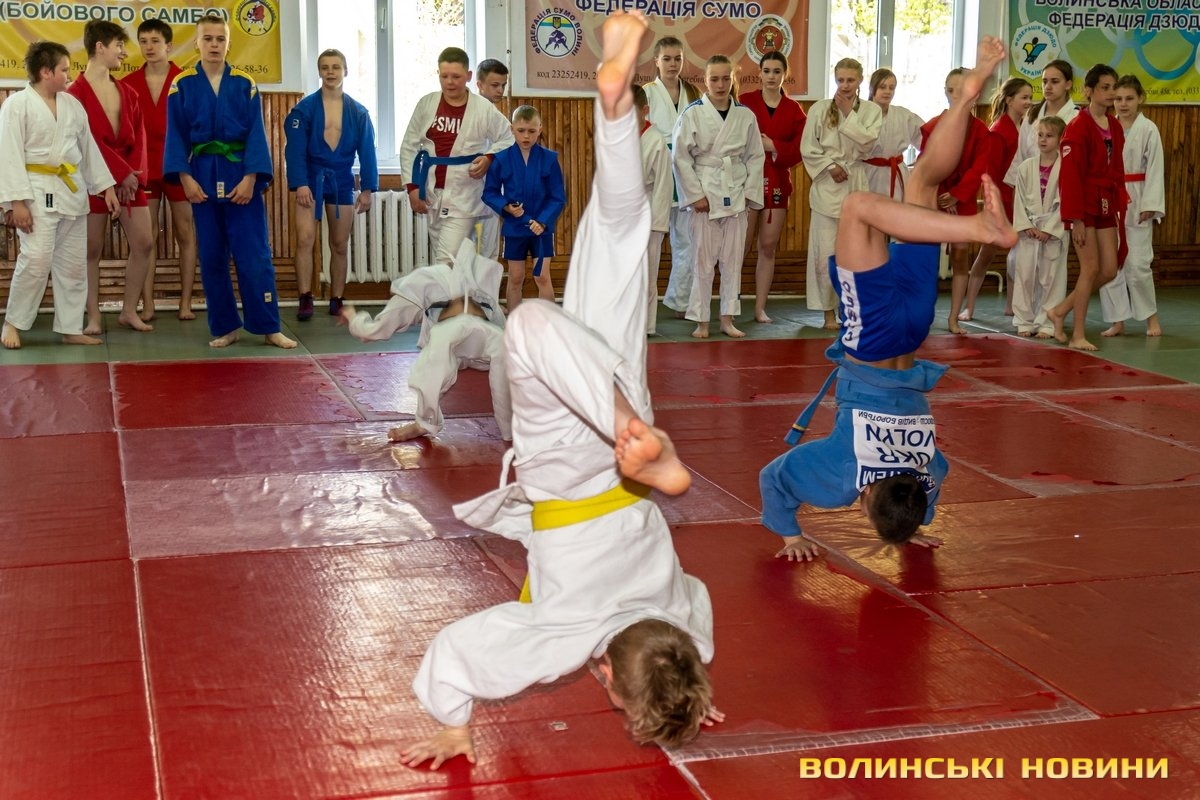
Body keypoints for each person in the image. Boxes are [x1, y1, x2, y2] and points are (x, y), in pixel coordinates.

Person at [400, 12, 719, 769]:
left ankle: (616, 103)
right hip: (573, 468)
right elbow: (457, 652)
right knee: (530, 324)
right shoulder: (566, 637)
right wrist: (453, 724)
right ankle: (630, 431)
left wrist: (692, 687)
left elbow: (697, 618)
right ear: (603, 675)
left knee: (621, 233)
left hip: (621, 419)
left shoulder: (680, 618)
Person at [760, 37, 1015, 562]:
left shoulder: (925, 472)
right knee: (858, 207)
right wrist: (790, 534)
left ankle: (964, 102)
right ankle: (976, 227)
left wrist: (916, 523)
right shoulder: (844, 477)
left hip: (914, 332)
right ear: (864, 500)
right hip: (871, 340)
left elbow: (934, 486)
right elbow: (773, 477)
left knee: (921, 183)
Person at [163, 14, 296, 349]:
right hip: (202, 177)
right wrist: (185, 179)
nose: (214, 45)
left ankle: (268, 326)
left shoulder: (244, 84)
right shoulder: (182, 85)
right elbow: (175, 136)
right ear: (196, 43)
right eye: (207, 39)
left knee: (254, 256)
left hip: (241, 176)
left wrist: (252, 178)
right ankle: (225, 326)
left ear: (228, 43)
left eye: (220, 39)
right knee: (211, 257)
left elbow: (256, 134)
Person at [1, 41, 119, 349]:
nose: (69, 75)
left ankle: (70, 327)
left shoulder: (72, 105)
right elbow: (8, 155)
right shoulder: (17, 105)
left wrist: (105, 187)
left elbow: (87, 149)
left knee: (73, 265)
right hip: (35, 193)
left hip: (71, 192)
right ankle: (13, 322)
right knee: (36, 260)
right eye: (64, 70)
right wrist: (16, 203)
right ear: (45, 72)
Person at [339, 239, 511, 443]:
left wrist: (353, 319)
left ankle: (510, 429)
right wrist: (354, 319)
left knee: (495, 347)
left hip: (480, 336)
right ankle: (426, 421)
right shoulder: (429, 282)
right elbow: (379, 328)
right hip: (461, 336)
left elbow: (377, 329)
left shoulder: (472, 282)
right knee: (444, 341)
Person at [69, 20, 154, 336]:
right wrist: (119, 173)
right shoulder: (74, 94)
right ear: (99, 47)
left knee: (144, 242)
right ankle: (93, 316)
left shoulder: (127, 92)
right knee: (91, 249)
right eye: (119, 45)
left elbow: (139, 137)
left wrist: (133, 176)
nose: (124, 52)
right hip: (92, 179)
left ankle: (128, 311)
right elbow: (85, 141)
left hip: (128, 179)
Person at [673, 55, 765, 339]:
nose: (721, 84)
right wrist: (694, 194)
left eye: (726, 78)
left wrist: (749, 193)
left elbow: (755, 156)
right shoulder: (692, 113)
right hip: (705, 189)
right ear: (705, 80)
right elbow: (680, 157)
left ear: (733, 80)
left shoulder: (745, 115)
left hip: (735, 190)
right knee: (702, 260)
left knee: (732, 260)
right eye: (714, 79)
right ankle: (701, 321)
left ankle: (727, 318)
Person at [285, 48, 379, 320]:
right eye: (325, 67)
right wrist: (300, 184)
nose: (330, 72)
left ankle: (337, 298)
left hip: (341, 179)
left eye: (335, 67)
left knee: (339, 243)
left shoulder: (358, 112)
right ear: (319, 72)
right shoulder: (303, 110)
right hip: (310, 179)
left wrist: (367, 189)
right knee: (305, 239)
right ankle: (305, 297)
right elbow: (294, 151)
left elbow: (368, 152)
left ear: (345, 71)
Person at [400, 47, 514, 263]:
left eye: (456, 76)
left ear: (468, 76)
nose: (449, 82)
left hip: (465, 192)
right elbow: (408, 146)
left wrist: (489, 157)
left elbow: (509, 137)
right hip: (432, 190)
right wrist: (412, 187)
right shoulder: (427, 103)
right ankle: (460, 288)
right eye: (444, 76)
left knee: (446, 260)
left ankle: (452, 286)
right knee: (446, 256)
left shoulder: (483, 108)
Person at [122, 19, 198, 322]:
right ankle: (148, 303)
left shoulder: (187, 81)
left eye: (155, 41)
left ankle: (185, 303)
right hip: (143, 168)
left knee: (185, 233)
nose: (149, 47)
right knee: (146, 237)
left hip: (180, 166)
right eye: (143, 41)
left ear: (169, 46)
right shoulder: (128, 83)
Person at [1047, 64, 1126, 351]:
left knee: (1109, 269)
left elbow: (1116, 167)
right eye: (1105, 87)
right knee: (1090, 268)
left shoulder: (1114, 125)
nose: (1111, 93)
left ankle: (1059, 311)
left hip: (1104, 201)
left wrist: (1118, 202)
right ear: (1088, 91)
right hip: (1082, 204)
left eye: (1113, 87)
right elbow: (1070, 176)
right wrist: (1075, 218)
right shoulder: (1078, 126)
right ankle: (1077, 334)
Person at [801, 58, 882, 331]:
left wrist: (848, 112)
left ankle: (851, 310)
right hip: (827, 185)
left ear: (860, 81)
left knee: (855, 254)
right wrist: (829, 166)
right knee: (825, 252)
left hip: (856, 183)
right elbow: (808, 147)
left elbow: (868, 144)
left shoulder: (871, 110)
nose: (845, 85)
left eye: (851, 80)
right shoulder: (819, 109)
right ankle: (827, 313)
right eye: (841, 80)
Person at [921, 68, 992, 334]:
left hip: (962, 199)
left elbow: (979, 167)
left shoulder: (981, 131)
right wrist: (942, 194)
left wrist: (958, 194)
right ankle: (923, 315)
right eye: (951, 90)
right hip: (935, 197)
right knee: (927, 257)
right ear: (945, 92)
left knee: (961, 256)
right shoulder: (933, 126)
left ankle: (953, 317)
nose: (956, 95)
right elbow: (926, 164)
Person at [739, 51, 806, 324]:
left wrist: (773, 146)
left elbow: (800, 149)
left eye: (777, 71)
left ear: (784, 74)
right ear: (759, 73)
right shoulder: (745, 102)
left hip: (777, 182)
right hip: (746, 181)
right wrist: (757, 145)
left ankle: (760, 308)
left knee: (767, 246)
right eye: (766, 71)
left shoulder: (794, 110)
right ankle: (729, 303)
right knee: (740, 247)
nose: (771, 76)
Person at [960, 77, 1033, 321]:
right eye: (1024, 97)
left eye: (1030, 98)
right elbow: (990, 174)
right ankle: (969, 306)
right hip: (1002, 200)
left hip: (1021, 199)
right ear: (1010, 100)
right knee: (987, 253)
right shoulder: (999, 131)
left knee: (1017, 254)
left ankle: (1012, 305)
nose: (1028, 102)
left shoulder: (1025, 128)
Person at [482, 105, 566, 310]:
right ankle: (514, 323)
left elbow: (557, 197)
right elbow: (490, 192)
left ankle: (549, 322)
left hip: (541, 229)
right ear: (512, 129)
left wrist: (543, 221)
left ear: (540, 129)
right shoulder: (501, 159)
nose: (526, 136)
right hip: (515, 227)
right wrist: (506, 207)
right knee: (516, 277)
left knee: (542, 276)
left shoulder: (549, 159)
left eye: (531, 131)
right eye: (521, 130)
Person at [1100, 75, 1165, 338]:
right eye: (1118, 99)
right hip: (1108, 198)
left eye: (1129, 98)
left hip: (1138, 198)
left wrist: (1151, 203)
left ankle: (1151, 318)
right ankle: (1117, 320)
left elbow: (1156, 167)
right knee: (1109, 262)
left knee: (1138, 264)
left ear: (1140, 99)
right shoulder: (1106, 126)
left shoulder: (1148, 129)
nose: (1123, 104)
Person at [642, 36, 702, 321]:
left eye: (677, 58)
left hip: (686, 167)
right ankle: (643, 302)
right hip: (656, 168)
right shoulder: (647, 93)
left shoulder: (693, 92)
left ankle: (679, 300)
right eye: (666, 58)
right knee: (650, 238)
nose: (672, 64)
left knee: (686, 239)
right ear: (656, 61)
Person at [1010, 116, 1066, 338]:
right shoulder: (1026, 167)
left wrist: (1050, 229)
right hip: (1029, 230)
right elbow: (1019, 200)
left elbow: (1066, 201)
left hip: (1053, 229)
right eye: (1040, 135)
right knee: (1024, 275)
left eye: (1049, 136)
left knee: (1052, 278)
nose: (1043, 139)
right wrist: (1026, 225)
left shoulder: (1066, 168)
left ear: (1061, 139)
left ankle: (1047, 322)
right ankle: (1024, 320)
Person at [634, 83, 673, 335]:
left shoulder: (656, 140)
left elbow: (663, 185)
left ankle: (646, 326)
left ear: (644, 110)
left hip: (648, 211)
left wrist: (658, 223)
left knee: (647, 273)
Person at [863, 68, 923, 202]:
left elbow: (926, 140)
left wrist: (922, 163)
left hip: (896, 175)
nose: (888, 91)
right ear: (872, 88)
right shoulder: (860, 115)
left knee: (895, 212)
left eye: (892, 88)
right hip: (868, 174)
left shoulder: (904, 116)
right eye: (882, 87)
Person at [473, 58, 510, 260]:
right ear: (480, 84)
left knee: (488, 247)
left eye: (503, 85)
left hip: (490, 187)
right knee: (466, 247)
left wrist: (490, 156)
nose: (500, 90)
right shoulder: (468, 110)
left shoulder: (494, 114)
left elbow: (509, 140)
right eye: (495, 85)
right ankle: (466, 283)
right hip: (466, 185)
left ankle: (485, 283)